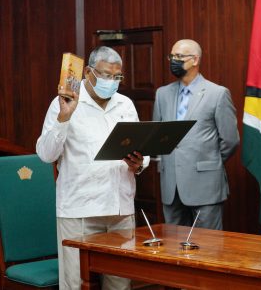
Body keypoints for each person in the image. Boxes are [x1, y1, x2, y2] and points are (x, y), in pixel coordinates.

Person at [37, 46, 148, 290]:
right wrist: (64, 118)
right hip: (79, 208)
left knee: (119, 283)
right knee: (74, 283)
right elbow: (46, 154)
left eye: (117, 77)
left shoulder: (125, 104)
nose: (112, 82)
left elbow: (142, 148)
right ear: (88, 71)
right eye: (106, 75)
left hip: (119, 208)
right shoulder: (64, 103)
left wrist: (139, 163)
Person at [152, 39, 239, 230]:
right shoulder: (162, 94)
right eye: (172, 56)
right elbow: (157, 137)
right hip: (171, 185)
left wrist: (208, 162)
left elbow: (230, 140)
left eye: (179, 56)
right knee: (173, 248)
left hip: (205, 183)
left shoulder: (217, 93)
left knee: (208, 246)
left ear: (195, 60)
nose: (174, 60)